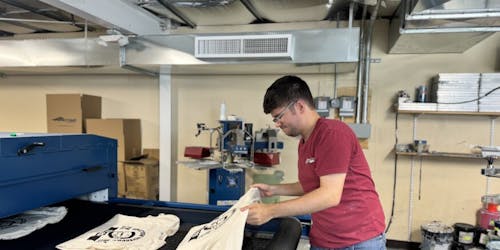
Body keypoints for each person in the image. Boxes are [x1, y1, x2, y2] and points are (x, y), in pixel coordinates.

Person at [241, 75, 386, 249]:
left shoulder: (332, 134)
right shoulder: (305, 142)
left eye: (279, 116)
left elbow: (330, 195)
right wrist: (274, 189)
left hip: (357, 240)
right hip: (324, 238)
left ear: (299, 106)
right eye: (275, 119)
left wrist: (270, 211)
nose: (277, 124)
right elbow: (311, 185)